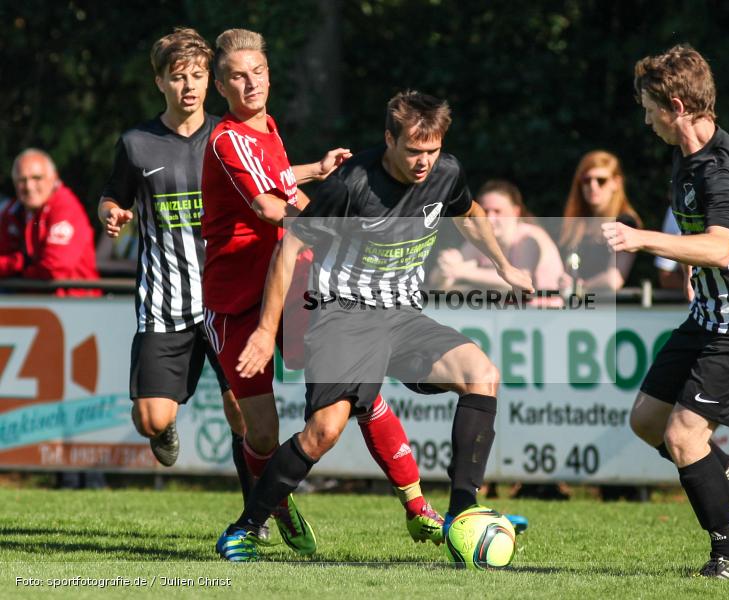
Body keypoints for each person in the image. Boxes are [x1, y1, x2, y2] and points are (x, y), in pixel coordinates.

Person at [214, 90, 534, 562]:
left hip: (402, 315)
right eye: (413, 151)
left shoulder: (446, 173)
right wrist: (266, 330)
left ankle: (463, 512)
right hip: (342, 315)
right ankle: (245, 527)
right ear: (389, 139)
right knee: (324, 431)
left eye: (433, 150)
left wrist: (505, 267)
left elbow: (470, 216)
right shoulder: (351, 184)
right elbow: (288, 248)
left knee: (482, 374)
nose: (425, 162)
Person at [201, 32, 445, 556]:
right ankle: (276, 504)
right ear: (220, 85)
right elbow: (269, 207)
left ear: (269, 74)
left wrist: (315, 173)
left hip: (297, 284)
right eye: (239, 76)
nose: (251, 83)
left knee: (361, 391)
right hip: (237, 299)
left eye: (259, 71)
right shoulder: (225, 138)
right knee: (261, 434)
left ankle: (417, 504)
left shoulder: (266, 128)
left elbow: (283, 186)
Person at [602, 45, 729, 579]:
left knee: (685, 436)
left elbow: (719, 247)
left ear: (677, 105)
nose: (645, 119)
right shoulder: (687, 156)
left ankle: (728, 558)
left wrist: (642, 239)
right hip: (711, 311)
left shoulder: (721, 169)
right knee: (647, 422)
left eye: (649, 108)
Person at [96, 27, 266, 532]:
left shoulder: (229, 136)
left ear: (209, 82)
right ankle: (164, 428)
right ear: (160, 83)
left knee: (242, 411)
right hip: (165, 304)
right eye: (178, 77)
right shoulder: (137, 144)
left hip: (225, 300)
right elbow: (112, 196)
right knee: (151, 419)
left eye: (197, 76)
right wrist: (111, 214)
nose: (189, 86)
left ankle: (254, 514)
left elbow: (268, 187)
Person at [431, 179, 565, 298]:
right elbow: (438, 280)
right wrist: (445, 269)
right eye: (485, 211)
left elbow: (523, 282)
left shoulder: (529, 238)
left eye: (497, 211)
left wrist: (462, 272)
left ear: (516, 212)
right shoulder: (479, 241)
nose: (490, 218)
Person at [0, 149, 99, 296]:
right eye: (22, 180)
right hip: (30, 304)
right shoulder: (12, 211)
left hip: (75, 304)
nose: (29, 186)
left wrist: (19, 267)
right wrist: (21, 262)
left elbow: (54, 269)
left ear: (54, 178)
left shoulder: (65, 207)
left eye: (37, 178)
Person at [559, 150, 643, 293]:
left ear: (616, 183)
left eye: (601, 180)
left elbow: (614, 280)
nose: (593, 186)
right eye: (586, 180)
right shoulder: (578, 223)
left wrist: (580, 287)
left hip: (623, 309)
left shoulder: (626, 222)